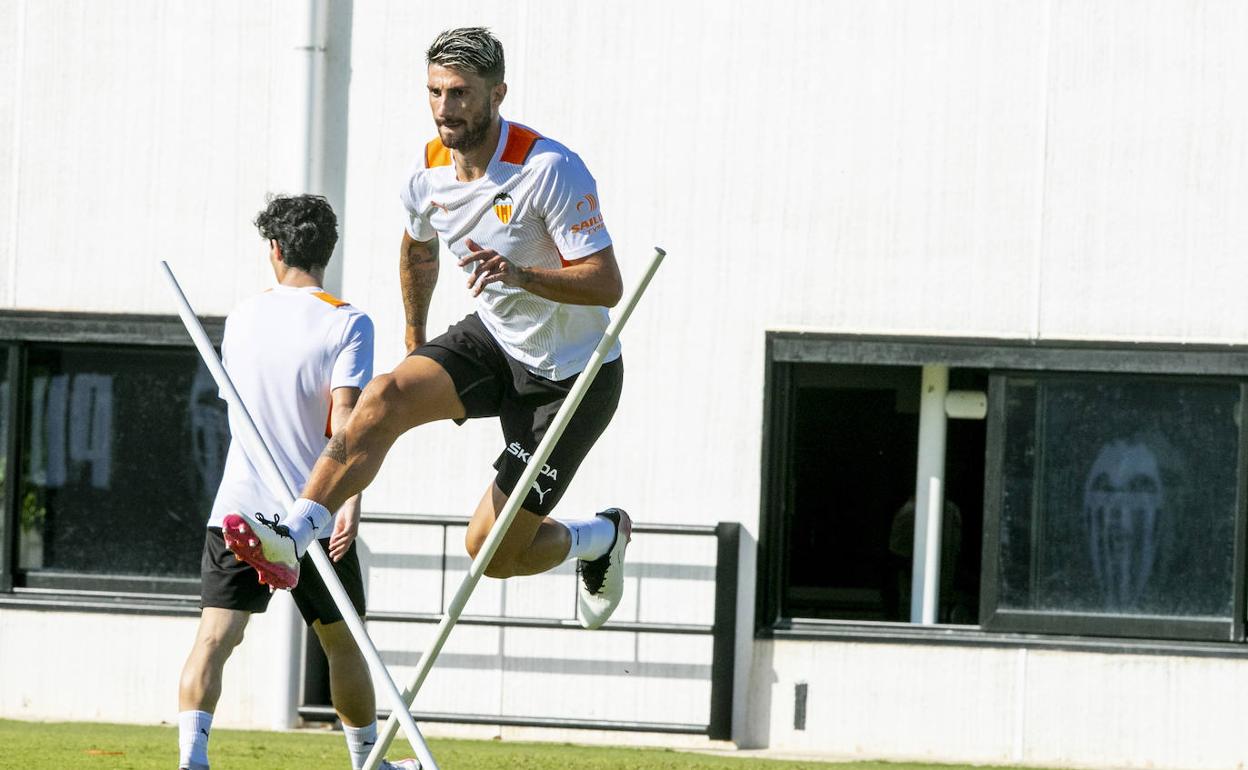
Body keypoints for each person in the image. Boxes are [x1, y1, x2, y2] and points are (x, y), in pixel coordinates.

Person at [222, 26, 631, 631]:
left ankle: (600, 538)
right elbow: (418, 251)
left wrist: (521, 275)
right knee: (384, 394)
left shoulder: (549, 169)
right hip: (493, 339)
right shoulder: (427, 169)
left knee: (491, 552)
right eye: (436, 92)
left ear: (498, 94)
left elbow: (606, 283)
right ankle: (295, 533)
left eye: (462, 93)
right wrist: (416, 338)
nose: (446, 108)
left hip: (572, 377)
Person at [178, 195, 416, 770]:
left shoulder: (243, 316)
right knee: (344, 644)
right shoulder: (347, 320)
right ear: (325, 252)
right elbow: (350, 426)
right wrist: (351, 501)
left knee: (215, 637)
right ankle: (366, 761)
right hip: (313, 510)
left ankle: (192, 759)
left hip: (240, 511)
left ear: (276, 250)